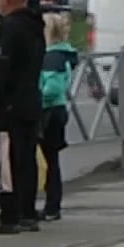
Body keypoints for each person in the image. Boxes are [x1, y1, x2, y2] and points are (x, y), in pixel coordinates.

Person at [0, 0, 45, 235]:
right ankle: (27, 213)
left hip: (9, 106)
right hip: (30, 101)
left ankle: (9, 217)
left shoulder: (9, 27)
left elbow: (0, 67)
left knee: (6, 162)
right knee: (26, 160)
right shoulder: (34, 26)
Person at [38, 12, 79, 222]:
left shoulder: (51, 57)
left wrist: (35, 99)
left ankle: (51, 206)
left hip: (48, 111)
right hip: (57, 110)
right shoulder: (62, 54)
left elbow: (52, 88)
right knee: (50, 160)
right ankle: (51, 205)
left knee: (46, 160)